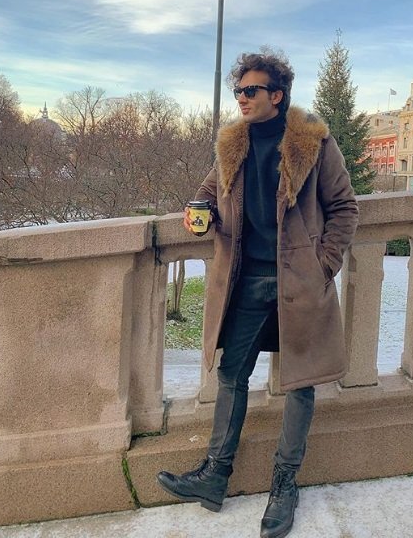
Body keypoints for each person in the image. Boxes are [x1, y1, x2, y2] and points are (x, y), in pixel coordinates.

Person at [157, 50, 359, 538]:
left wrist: (322, 266)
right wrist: (199, 209)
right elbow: (209, 190)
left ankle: (284, 485)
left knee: (300, 382)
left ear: (277, 95)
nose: (242, 99)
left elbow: (344, 208)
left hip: (298, 282)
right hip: (245, 280)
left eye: (251, 91)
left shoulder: (313, 142)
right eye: (238, 91)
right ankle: (215, 475)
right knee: (232, 374)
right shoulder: (234, 143)